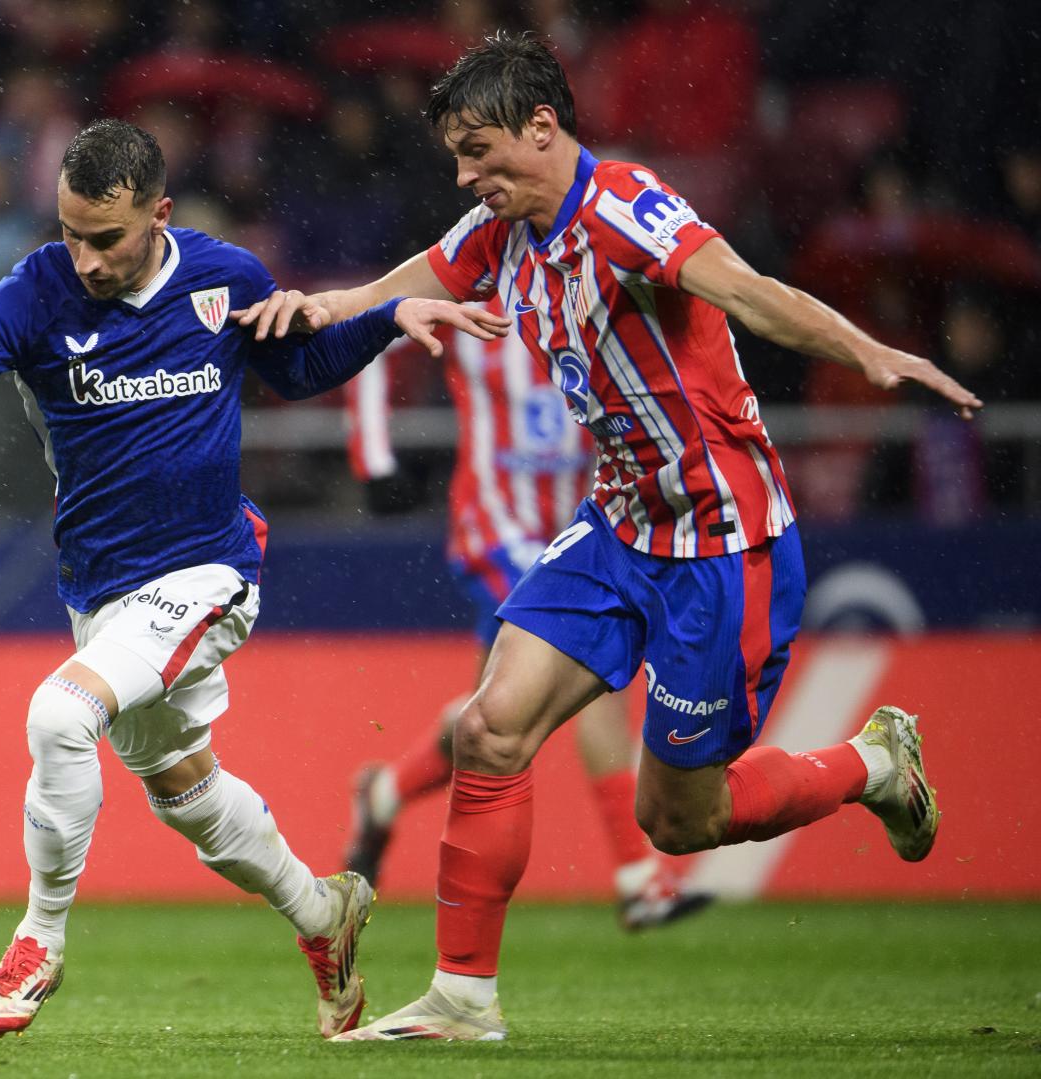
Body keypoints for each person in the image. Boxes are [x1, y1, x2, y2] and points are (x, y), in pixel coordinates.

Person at [238, 32, 979, 1042]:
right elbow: (431, 270)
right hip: (619, 525)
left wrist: (867, 350)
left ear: (542, 127)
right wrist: (338, 304)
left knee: (680, 817)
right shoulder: (502, 230)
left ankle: (872, 763)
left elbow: (747, 290)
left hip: (721, 544)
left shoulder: (627, 208)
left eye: (478, 152)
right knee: (490, 727)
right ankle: (462, 996)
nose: (465, 177)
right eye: (457, 157)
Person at [0, 118, 509, 1038]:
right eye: (71, 234)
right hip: (102, 591)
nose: (86, 259)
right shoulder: (36, 290)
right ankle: (322, 911)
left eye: (106, 238)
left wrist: (386, 321)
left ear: (160, 214)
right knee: (185, 790)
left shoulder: (225, 278)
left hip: (210, 571)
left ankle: (39, 939)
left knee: (60, 714)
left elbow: (298, 366)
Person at [340, 292, 712, 932]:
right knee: (593, 673)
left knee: (491, 714)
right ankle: (640, 877)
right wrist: (375, 461)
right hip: (497, 528)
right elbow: (373, 337)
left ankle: (386, 793)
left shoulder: (589, 292)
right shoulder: (470, 289)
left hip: (577, 528)